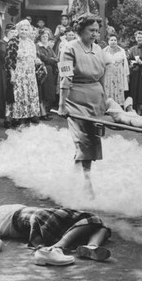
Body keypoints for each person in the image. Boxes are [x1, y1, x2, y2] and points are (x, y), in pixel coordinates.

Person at [57, 16, 111, 199]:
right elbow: (65, 78)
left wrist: (104, 98)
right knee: (82, 141)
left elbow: (102, 76)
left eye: (97, 30)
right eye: (91, 31)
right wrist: (62, 105)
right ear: (81, 31)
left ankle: (73, 180)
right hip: (75, 98)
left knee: (92, 142)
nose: (95, 34)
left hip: (95, 98)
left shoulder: (99, 49)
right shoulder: (69, 48)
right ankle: (86, 186)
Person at [0, 204, 111, 266]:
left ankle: (91, 247)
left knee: (99, 226)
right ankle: (54, 249)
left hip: (35, 220)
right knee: (91, 218)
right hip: (31, 216)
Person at [4, 19, 41, 126]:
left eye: (26, 29)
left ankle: (29, 115)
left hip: (30, 74)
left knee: (29, 94)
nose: (24, 31)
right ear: (18, 30)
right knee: (18, 95)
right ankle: (17, 117)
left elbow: (34, 57)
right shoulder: (13, 42)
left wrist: (37, 60)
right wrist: (12, 74)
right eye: (22, 29)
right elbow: (8, 60)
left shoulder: (31, 43)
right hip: (18, 73)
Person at [0, 24, 16, 125]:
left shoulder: (13, 43)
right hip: (3, 69)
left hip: (8, 68)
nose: (13, 34)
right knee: (3, 90)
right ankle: (3, 113)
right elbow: (4, 54)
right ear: (7, 32)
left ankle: (9, 114)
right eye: (12, 32)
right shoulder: (2, 42)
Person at [35, 29, 58, 120]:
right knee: (42, 92)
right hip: (42, 71)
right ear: (39, 37)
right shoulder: (37, 46)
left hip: (50, 71)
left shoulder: (48, 47)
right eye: (43, 36)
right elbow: (44, 58)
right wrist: (51, 59)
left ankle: (43, 111)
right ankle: (42, 113)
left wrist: (51, 59)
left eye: (46, 37)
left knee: (47, 93)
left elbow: (56, 58)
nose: (45, 38)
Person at [103, 34, 129, 106]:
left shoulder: (122, 51)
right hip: (108, 74)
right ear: (108, 41)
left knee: (118, 89)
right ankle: (108, 106)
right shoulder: (104, 51)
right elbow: (101, 63)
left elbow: (125, 64)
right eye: (111, 40)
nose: (113, 42)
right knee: (108, 89)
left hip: (119, 75)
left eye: (115, 40)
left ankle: (118, 106)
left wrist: (126, 75)